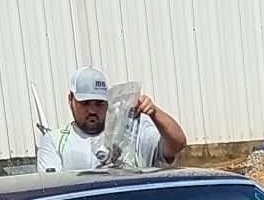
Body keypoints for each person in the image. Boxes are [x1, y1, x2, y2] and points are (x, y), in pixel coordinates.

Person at [36, 67, 185, 174]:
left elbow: (177, 144)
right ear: (70, 100)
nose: (92, 110)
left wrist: (155, 113)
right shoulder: (54, 142)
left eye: (99, 103)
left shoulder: (134, 134)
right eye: (85, 103)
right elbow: (52, 190)